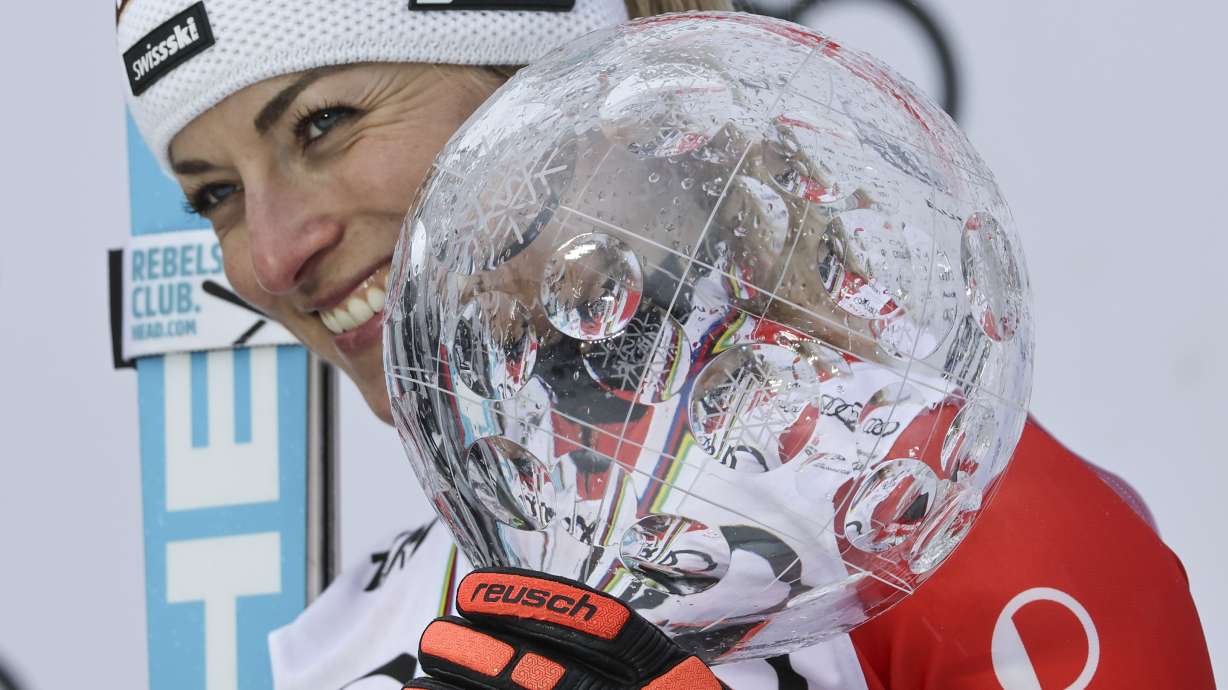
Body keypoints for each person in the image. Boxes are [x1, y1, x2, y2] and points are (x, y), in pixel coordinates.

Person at [115, 1, 1216, 688]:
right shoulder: (341, 639)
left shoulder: (922, 518)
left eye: (325, 125)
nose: (272, 255)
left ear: (570, 88)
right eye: (214, 194)